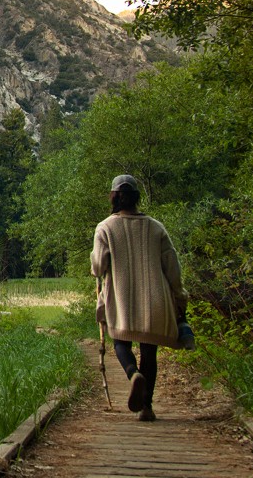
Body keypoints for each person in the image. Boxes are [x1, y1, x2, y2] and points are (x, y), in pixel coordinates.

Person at [90, 174, 187, 422]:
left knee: (120, 343)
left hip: (121, 300)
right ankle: (147, 407)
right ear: (136, 197)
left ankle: (133, 374)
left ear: (113, 196)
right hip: (155, 300)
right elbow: (172, 266)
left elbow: (99, 267)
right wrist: (179, 296)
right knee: (149, 352)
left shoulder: (105, 228)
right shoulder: (156, 227)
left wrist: (96, 262)